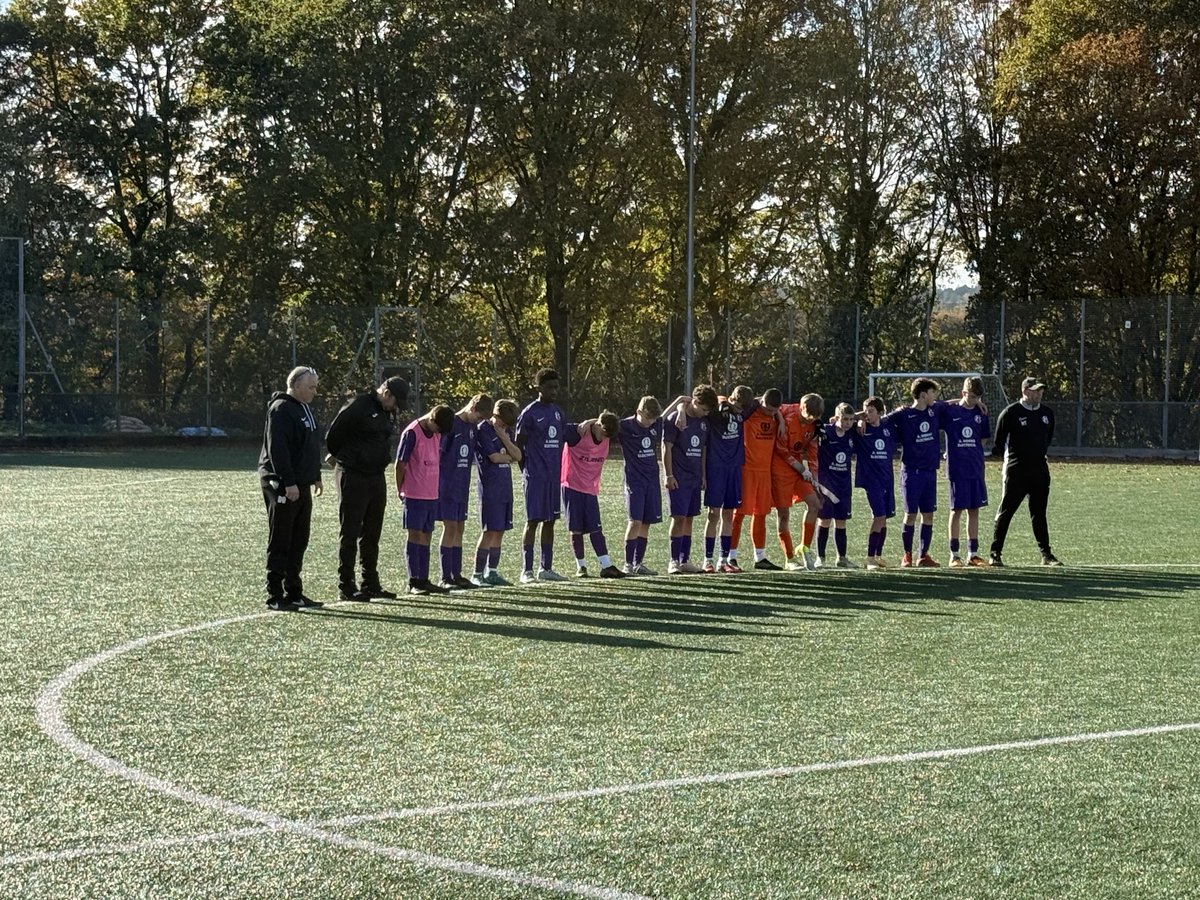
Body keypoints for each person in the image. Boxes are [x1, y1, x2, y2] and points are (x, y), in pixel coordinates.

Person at [324, 375, 408, 602]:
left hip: (376, 475)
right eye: (395, 402)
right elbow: (333, 435)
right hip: (353, 474)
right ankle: (346, 584)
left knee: (372, 532)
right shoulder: (358, 405)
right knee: (350, 530)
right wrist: (347, 458)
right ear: (386, 393)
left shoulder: (387, 411)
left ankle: (370, 582)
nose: (395, 407)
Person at [258, 366, 324, 611]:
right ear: (296, 386)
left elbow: (311, 444)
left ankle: (294, 591)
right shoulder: (281, 409)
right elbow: (278, 450)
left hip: (302, 483)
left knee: (300, 538)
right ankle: (275, 594)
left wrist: (315, 475)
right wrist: (288, 482)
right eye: (311, 386)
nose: (315, 391)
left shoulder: (305, 408)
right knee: (281, 537)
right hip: (282, 483)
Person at [989, 377, 1062, 567]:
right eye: (1035, 390)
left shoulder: (1047, 413)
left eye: (1041, 390)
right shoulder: (1010, 413)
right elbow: (999, 442)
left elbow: (1047, 438)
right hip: (1016, 470)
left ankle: (1046, 555)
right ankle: (995, 553)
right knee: (1006, 510)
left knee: (1039, 513)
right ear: (1025, 391)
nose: (1039, 394)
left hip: (1039, 470)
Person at [882, 378, 944, 567]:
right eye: (932, 393)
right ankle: (907, 555)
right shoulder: (904, 414)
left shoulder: (934, 411)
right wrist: (859, 420)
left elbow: (953, 404)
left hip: (930, 472)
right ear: (924, 395)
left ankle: (923, 555)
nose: (935, 396)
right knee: (910, 514)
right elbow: (880, 419)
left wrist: (979, 402)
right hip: (911, 472)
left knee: (928, 514)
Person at [395, 404, 456, 595]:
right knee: (415, 534)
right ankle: (414, 581)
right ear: (431, 419)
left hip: (431, 494)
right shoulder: (412, 433)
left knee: (427, 535)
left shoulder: (438, 433)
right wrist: (400, 489)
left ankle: (424, 578)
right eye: (438, 428)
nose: (439, 433)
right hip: (414, 494)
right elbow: (400, 464)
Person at [516, 368, 569, 583]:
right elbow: (518, 446)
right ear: (538, 388)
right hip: (535, 477)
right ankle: (526, 570)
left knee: (550, 521)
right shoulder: (529, 413)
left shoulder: (558, 412)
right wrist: (528, 471)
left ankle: (545, 568)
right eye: (549, 387)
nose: (554, 391)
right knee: (533, 521)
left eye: (556, 387)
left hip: (553, 477)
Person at [436, 394, 493, 589]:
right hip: (447, 484)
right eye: (479, 417)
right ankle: (445, 577)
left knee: (460, 527)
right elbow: (439, 454)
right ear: (473, 408)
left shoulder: (472, 428)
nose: (479, 422)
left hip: (462, 485)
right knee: (450, 527)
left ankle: (456, 574)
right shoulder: (451, 424)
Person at [562, 412, 626, 578]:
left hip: (590, 488)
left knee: (596, 528)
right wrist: (588, 421)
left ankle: (606, 565)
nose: (605, 437)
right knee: (576, 529)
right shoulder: (579, 433)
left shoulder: (608, 432)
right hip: (572, 486)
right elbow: (557, 428)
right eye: (603, 433)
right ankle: (581, 567)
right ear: (597, 425)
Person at [663, 385, 716, 574]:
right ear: (695, 402)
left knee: (689, 519)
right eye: (703, 409)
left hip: (694, 477)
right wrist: (668, 474)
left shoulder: (703, 423)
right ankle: (673, 561)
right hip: (678, 477)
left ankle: (684, 560)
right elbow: (666, 447)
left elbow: (702, 449)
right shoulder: (675, 419)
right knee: (678, 519)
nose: (705, 414)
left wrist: (702, 475)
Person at [731, 388, 785, 570]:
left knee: (761, 513)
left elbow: (794, 408)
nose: (770, 413)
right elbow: (726, 400)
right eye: (768, 409)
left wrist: (781, 418)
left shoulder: (776, 415)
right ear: (761, 401)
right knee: (738, 514)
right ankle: (730, 556)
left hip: (765, 472)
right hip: (746, 470)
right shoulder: (749, 412)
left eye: (774, 410)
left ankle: (760, 557)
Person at [471, 399, 522, 586]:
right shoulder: (483, 429)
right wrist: (508, 458)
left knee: (500, 531)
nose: (503, 426)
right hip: (490, 488)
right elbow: (494, 457)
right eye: (501, 422)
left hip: (505, 488)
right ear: (494, 414)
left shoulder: (504, 432)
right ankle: (477, 574)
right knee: (489, 531)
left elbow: (518, 456)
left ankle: (492, 572)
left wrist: (504, 437)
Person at [941, 377, 990, 567]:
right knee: (956, 510)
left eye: (978, 397)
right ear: (963, 393)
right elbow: (936, 405)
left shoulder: (981, 412)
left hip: (975, 467)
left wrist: (979, 404)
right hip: (957, 469)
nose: (975, 400)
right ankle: (954, 554)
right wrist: (954, 400)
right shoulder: (951, 411)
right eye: (972, 396)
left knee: (974, 510)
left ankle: (973, 553)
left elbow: (983, 439)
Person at [702, 385, 751, 573]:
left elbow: (761, 402)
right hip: (716, 468)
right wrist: (722, 401)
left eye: (742, 409)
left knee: (728, 514)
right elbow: (699, 402)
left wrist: (779, 417)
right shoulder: (716, 413)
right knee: (713, 514)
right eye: (737, 406)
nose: (739, 411)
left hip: (734, 468)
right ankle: (707, 559)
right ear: (731, 399)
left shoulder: (743, 412)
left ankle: (724, 560)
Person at [776, 393, 825, 570]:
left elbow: (812, 451)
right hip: (779, 469)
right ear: (802, 408)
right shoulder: (788, 415)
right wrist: (801, 468)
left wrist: (814, 477)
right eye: (809, 417)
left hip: (798, 469)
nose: (811, 421)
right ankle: (789, 558)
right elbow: (781, 449)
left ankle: (804, 548)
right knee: (783, 514)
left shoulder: (814, 425)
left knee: (814, 504)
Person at [617, 396, 664, 575]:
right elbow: (604, 424)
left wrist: (681, 402)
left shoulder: (655, 424)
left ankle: (639, 563)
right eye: (647, 418)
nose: (650, 422)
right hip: (634, 480)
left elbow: (666, 415)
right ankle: (627, 564)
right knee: (635, 521)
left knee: (646, 522)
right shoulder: (625, 426)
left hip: (652, 480)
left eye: (653, 419)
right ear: (638, 412)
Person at [814, 403, 859, 569]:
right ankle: (821, 557)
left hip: (844, 485)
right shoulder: (826, 431)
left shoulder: (852, 432)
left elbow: (863, 416)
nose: (848, 423)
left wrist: (858, 420)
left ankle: (842, 558)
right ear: (836, 418)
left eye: (851, 420)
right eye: (845, 419)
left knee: (841, 522)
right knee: (824, 520)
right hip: (826, 485)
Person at [855, 396, 897, 569]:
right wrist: (859, 418)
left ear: (880, 412)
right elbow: (839, 418)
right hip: (871, 480)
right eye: (865, 410)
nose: (867, 414)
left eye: (871, 411)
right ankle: (870, 557)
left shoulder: (888, 427)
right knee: (878, 515)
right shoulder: (861, 430)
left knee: (884, 517)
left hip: (887, 478)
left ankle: (878, 556)